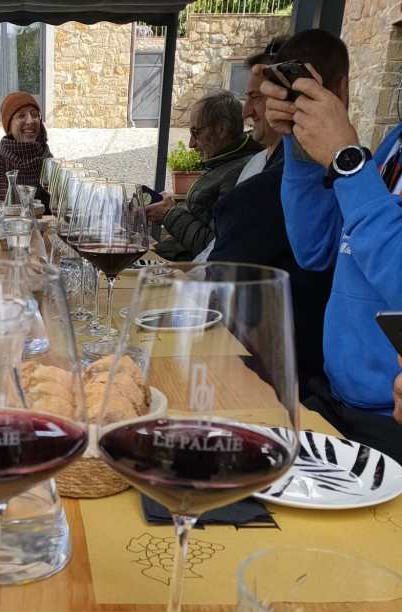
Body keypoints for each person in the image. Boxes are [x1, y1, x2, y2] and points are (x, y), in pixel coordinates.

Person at [262, 28, 402, 460]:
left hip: (388, 426)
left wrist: (347, 159)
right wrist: (302, 148)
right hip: (338, 404)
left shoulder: (364, 158)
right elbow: (315, 248)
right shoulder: (395, 143)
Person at [208, 34, 340, 394]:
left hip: (283, 376)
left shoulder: (267, 190)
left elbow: (215, 283)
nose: (246, 111)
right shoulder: (262, 164)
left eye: (256, 97)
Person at [148, 90, 260, 261]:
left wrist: (169, 214)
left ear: (221, 129)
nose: (191, 144)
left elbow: (214, 246)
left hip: (190, 271)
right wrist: (174, 207)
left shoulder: (238, 174)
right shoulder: (223, 162)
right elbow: (201, 216)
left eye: (196, 132)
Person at [0, 91, 52, 212]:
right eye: (21, 116)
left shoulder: (49, 163)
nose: (30, 121)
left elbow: (59, 210)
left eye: (35, 115)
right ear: (9, 125)